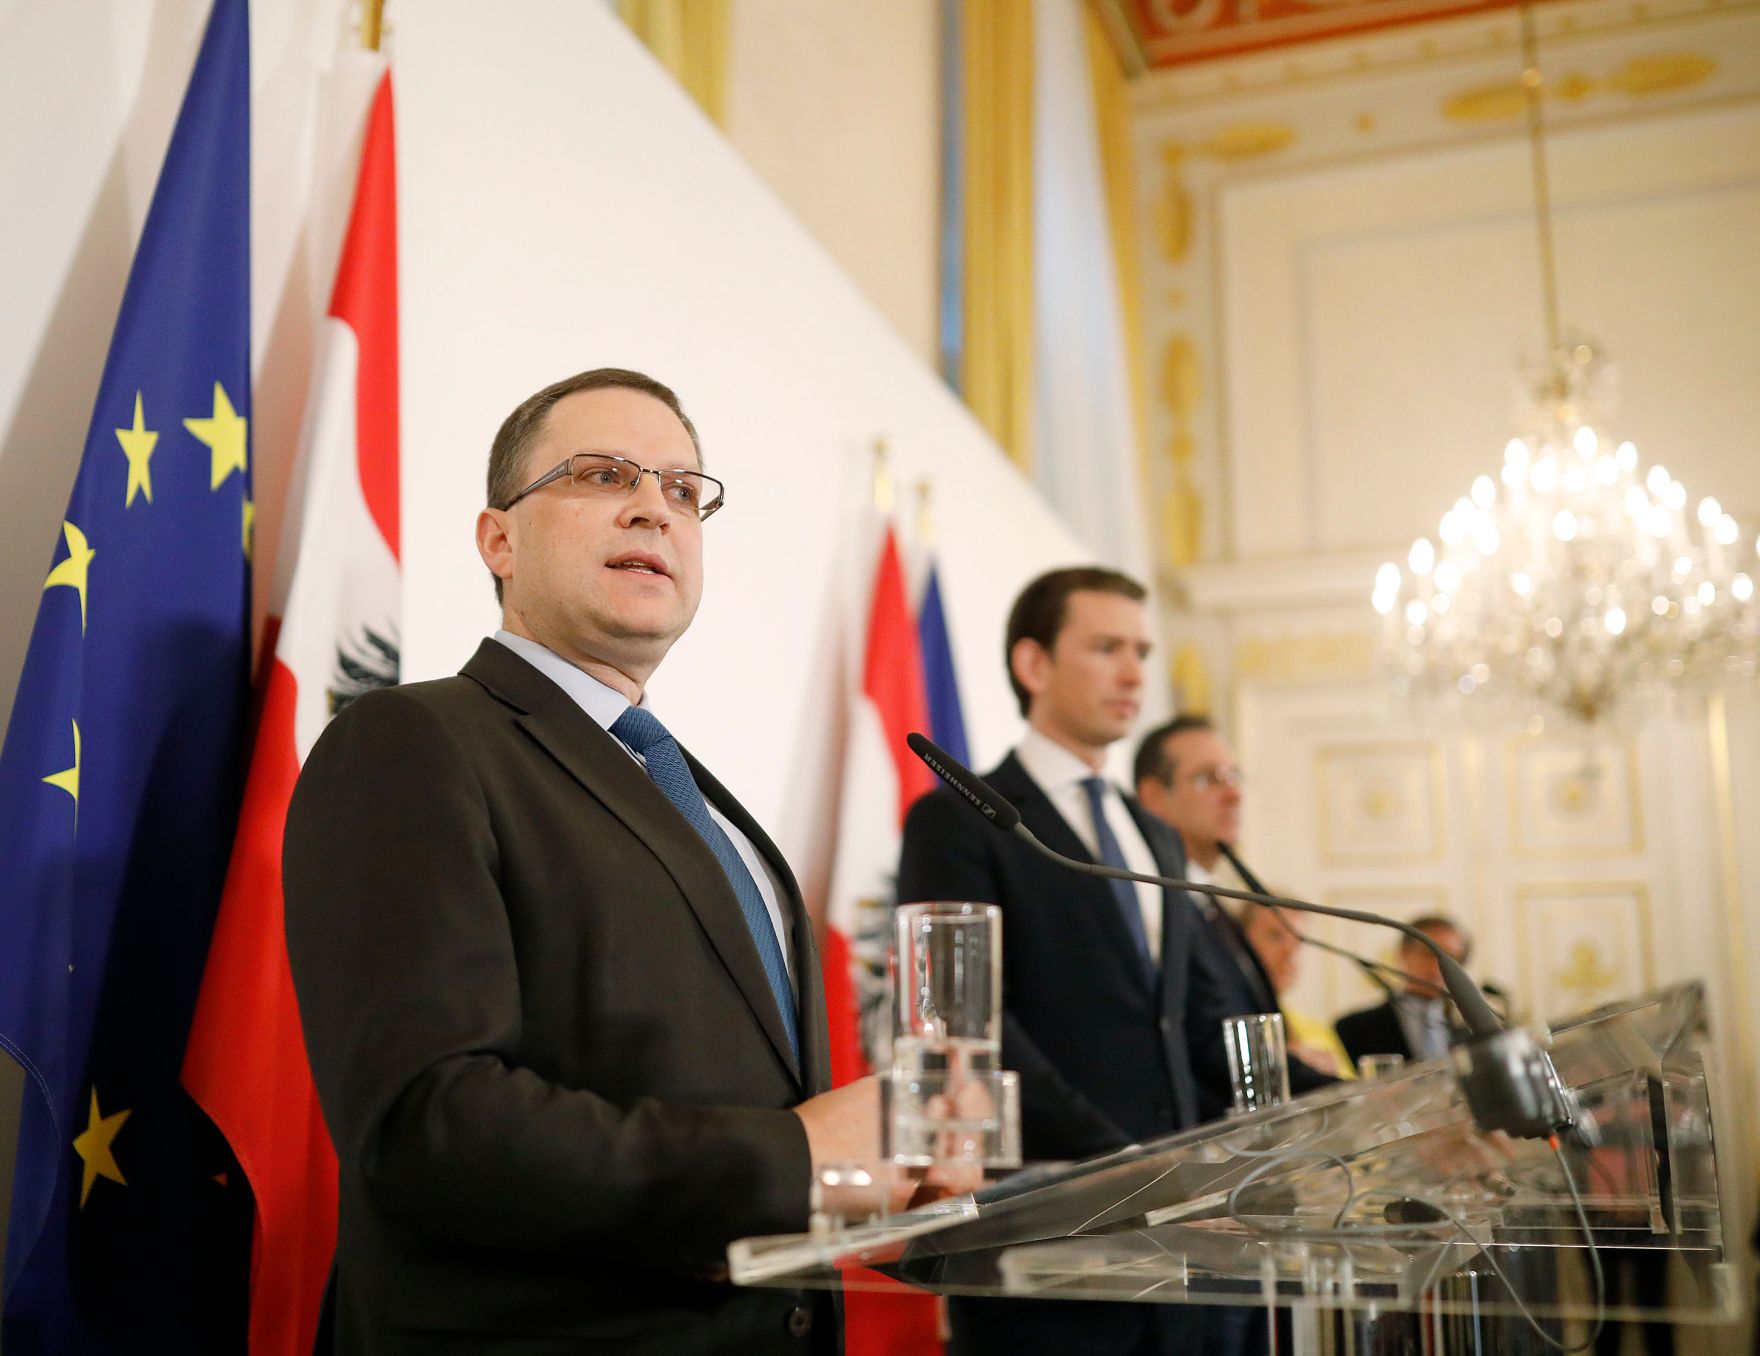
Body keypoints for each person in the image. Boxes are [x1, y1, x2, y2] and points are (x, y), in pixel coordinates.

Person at [283, 369, 892, 1355]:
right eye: (604, 475)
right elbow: (426, 1126)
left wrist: (881, 1184)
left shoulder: (705, 804)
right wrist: (796, 1156)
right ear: (499, 540)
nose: (654, 506)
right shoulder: (414, 742)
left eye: (684, 490)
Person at [897, 566, 1321, 1356]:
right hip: (1051, 1238)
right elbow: (969, 1027)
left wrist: (1347, 1102)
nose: (1134, 673)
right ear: (1034, 665)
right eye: (1106, 648)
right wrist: (1121, 1162)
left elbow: (1199, 1018)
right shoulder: (960, 818)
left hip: (1187, 1236)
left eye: (1142, 651)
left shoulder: (1153, 834)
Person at [1135, 716, 1336, 1104]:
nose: (1234, 795)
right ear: (1154, 797)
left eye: (1235, 777)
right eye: (1208, 779)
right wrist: (1340, 1092)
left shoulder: (1214, 908)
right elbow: (1208, 1044)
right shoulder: (1155, 904)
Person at [1334, 914, 1472, 1067]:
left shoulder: (1471, 1033)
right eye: (1428, 953)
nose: (1438, 967)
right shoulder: (1353, 1028)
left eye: (1452, 958)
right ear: (1402, 953)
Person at [1236, 905, 1353, 1079]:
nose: (1289, 952)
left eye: (1297, 942)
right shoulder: (1226, 1021)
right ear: (1238, 940)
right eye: (1275, 937)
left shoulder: (1316, 1030)